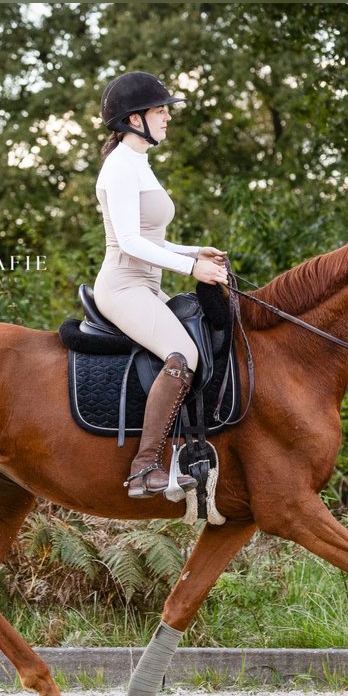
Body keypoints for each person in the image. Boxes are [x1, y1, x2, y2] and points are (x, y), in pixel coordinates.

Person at [93, 71, 230, 500]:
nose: (167, 117)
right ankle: (144, 469)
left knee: (202, 337)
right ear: (134, 120)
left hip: (147, 287)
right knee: (183, 353)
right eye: (159, 110)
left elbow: (153, 239)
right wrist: (191, 272)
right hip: (122, 286)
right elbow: (131, 243)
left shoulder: (139, 162)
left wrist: (194, 253)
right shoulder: (118, 167)